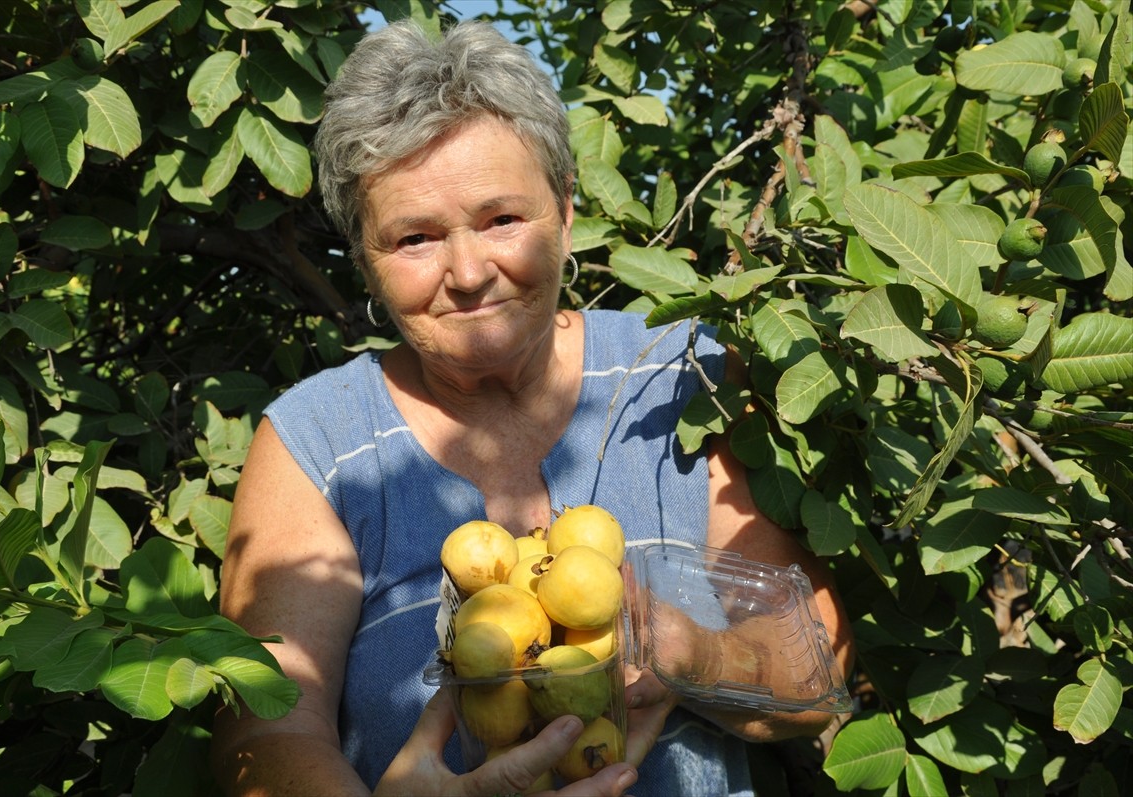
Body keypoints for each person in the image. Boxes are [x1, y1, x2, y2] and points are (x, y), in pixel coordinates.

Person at [211, 18, 854, 797]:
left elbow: (819, 661)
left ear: (567, 213)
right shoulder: (315, 442)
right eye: (414, 237)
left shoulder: (684, 378)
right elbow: (263, 732)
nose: (469, 271)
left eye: (501, 220)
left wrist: (695, 658)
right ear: (365, 261)